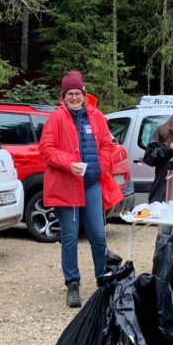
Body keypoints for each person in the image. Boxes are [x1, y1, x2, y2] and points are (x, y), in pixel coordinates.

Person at [39, 71, 116, 308]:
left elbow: (106, 144)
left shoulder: (96, 116)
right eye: (70, 93)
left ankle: (103, 280)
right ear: (63, 96)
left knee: (98, 234)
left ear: (84, 95)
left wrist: (101, 165)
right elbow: (46, 148)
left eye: (78, 93)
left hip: (92, 183)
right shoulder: (56, 118)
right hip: (67, 186)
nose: (74, 97)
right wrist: (67, 163)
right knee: (70, 236)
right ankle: (72, 284)